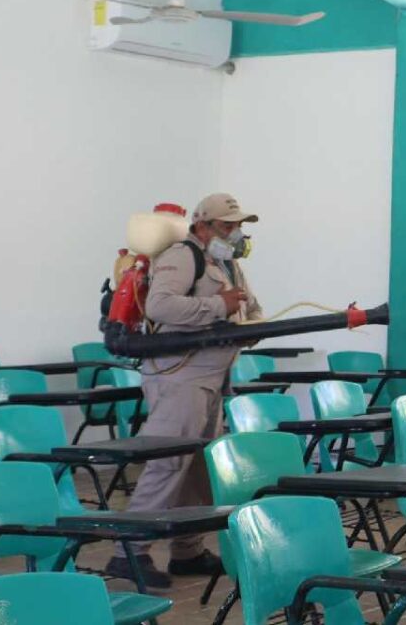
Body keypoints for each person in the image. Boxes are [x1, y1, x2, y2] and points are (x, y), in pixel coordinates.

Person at [105, 193, 261, 588]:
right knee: (168, 463)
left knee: (197, 469)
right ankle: (128, 552)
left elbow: (251, 310)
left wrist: (250, 325)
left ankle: (187, 551)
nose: (236, 233)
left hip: (211, 379)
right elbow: (160, 306)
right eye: (228, 226)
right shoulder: (181, 256)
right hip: (180, 377)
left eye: (238, 226)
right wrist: (217, 307)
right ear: (203, 225)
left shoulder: (228, 265)